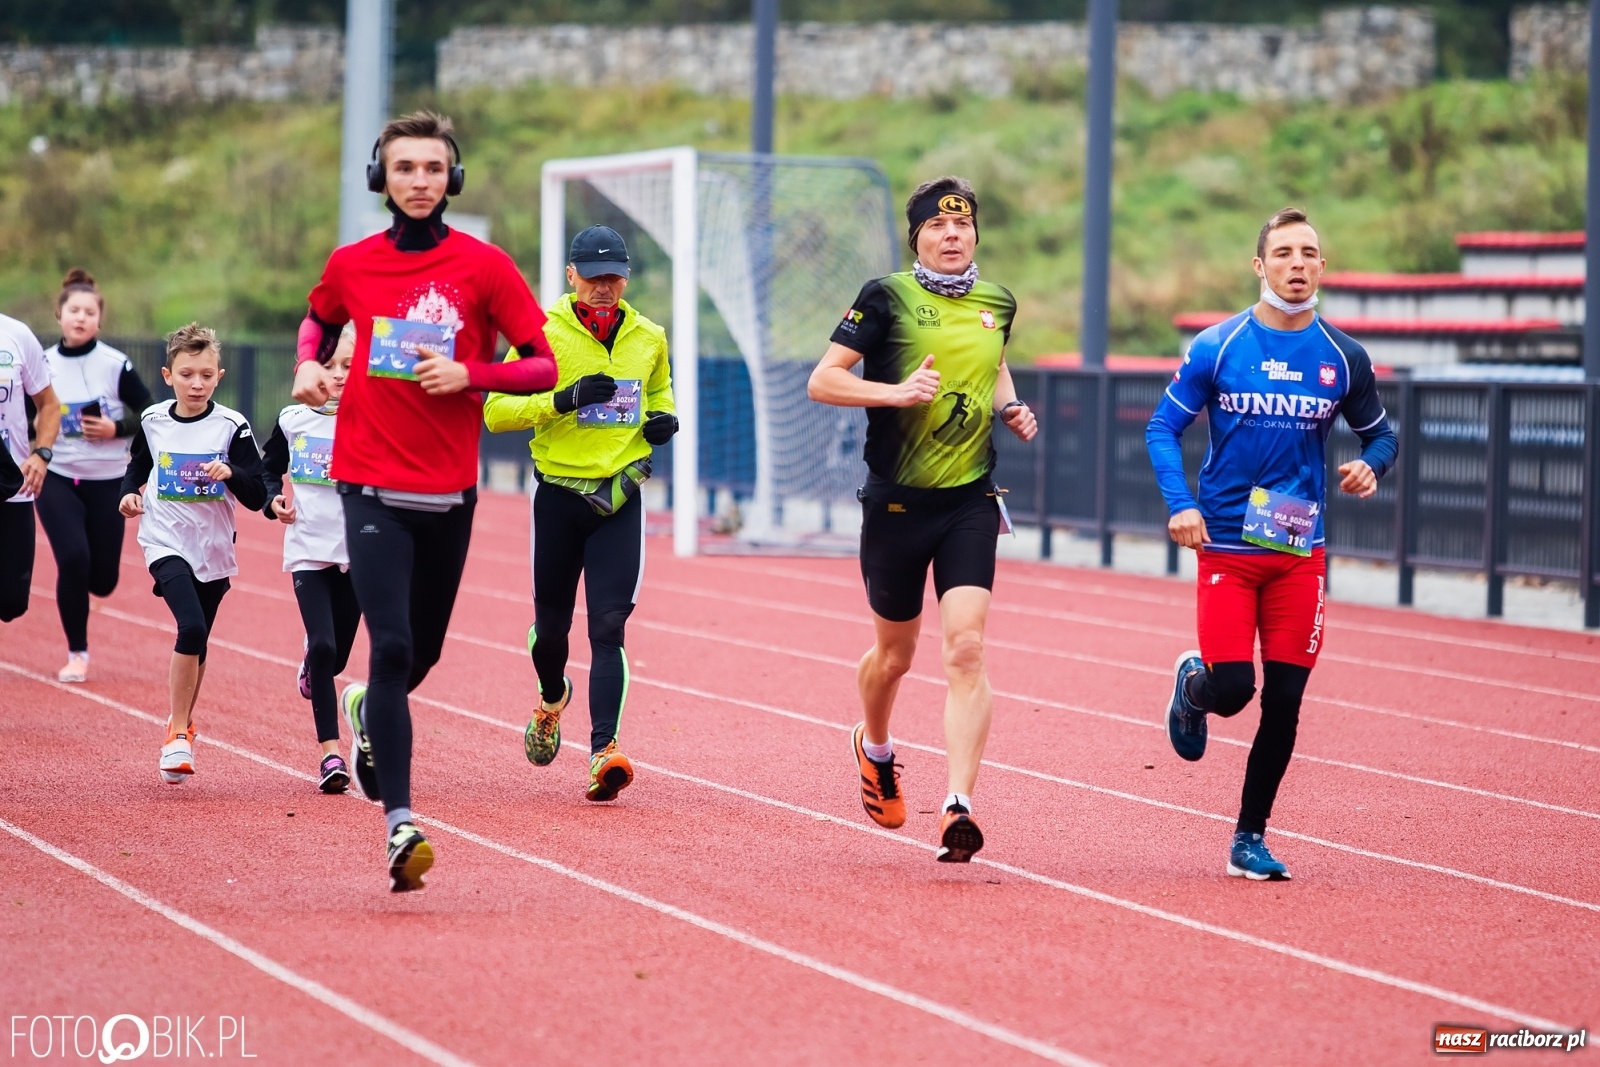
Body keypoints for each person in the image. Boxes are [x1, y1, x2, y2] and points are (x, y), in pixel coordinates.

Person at [291, 110, 559, 892]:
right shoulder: (353, 264)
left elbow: (541, 364)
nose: (418, 181)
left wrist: (470, 374)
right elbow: (317, 318)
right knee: (395, 646)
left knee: (423, 655)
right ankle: (400, 824)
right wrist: (308, 367)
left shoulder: (484, 267)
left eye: (432, 168)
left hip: (449, 491)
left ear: (452, 178)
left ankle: (375, 712)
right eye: (403, 167)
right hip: (368, 481)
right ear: (382, 177)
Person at [1146, 206, 1398, 881]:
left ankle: (1248, 838)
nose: (1296, 264)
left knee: (1284, 701)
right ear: (1259, 265)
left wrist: (1373, 463)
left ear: (1321, 265)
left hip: (1297, 548)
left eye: (1308, 253)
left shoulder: (1343, 356)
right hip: (1226, 543)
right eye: (1283, 252)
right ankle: (1192, 686)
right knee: (1234, 690)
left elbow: (1382, 433)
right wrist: (1182, 505)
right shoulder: (1219, 346)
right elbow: (1160, 429)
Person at [807, 176, 1037, 863]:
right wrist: (896, 391)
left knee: (965, 647)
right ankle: (874, 745)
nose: (952, 235)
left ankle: (958, 803)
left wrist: (1010, 406)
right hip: (896, 503)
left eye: (962, 226)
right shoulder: (885, 297)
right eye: (937, 227)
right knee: (896, 656)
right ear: (917, 237)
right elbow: (823, 379)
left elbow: (993, 364)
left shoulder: (998, 302)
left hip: (970, 500)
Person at [484, 226, 677, 803]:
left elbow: (659, 393)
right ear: (571, 277)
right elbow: (496, 410)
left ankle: (603, 752)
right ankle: (550, 698)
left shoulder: (649, 336)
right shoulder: (539, 333)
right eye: (592, 277)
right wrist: (564, 400)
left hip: (619, 496)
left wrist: (662, 422)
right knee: (553, 633)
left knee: (609, 626)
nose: (603, 286)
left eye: (613, 275)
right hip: (559, 499)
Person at [119, 324, 266, 785]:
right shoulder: (152, 420)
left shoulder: (233, 426)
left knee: (198, 641)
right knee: (192, 626)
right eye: (187, 374)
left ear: (219, 376)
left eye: (205, 375)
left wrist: (230, 472)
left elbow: (259, 493)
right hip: (164, 540)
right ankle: (178, 733)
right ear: (168, 375)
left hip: (214, 547)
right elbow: (137, 467)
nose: (196, 384)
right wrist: (128, 495)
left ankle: (179, 722)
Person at [34, 269, 154, 682]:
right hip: (57, 475)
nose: (81, 317)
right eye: (74, 310)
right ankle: (77, 652)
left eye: (89, 312)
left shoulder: (114, 364)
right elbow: (25, 413)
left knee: (102, 579)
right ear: (59, 315)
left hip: (107, 477)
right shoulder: (43, 364)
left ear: (99, 320)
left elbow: (149, 413)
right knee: (73, 559)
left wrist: (114, 429)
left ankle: (87, 593)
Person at [262, 324, 359, 794]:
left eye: (348, 365)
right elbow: (266, 468)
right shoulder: (292, 418)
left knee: (337, 656)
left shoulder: (373, 418)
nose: (338, 375)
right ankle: (331, 755)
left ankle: (313, 667)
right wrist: (271, 501)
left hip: (358, 553)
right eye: (330, 365)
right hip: (307, 548)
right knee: (322, 646)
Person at [0, 310, 60, 625]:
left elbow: (49, 404)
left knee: (11, 600)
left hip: (13, 483)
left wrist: (42, 454)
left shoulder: (17, 334)